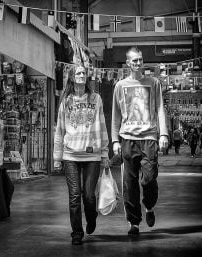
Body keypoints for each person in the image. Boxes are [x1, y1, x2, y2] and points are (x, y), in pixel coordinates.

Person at [111, 47, 168, 235]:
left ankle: (149, 206)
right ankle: (134, 222)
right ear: (128, 63)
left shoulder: (153, 83)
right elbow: (116, 115)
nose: (138, 63)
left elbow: (160, 108)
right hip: (127, 138)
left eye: (140, 60)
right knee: (129, 183)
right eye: (134, 60)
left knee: (149, 179)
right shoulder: (120, 86)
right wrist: (115, 140)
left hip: (149, 138)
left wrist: (164, 134)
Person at [54, 65, 110, 245]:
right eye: (78, 72)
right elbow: (60, 131)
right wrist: (57, 158)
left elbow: (102, 126)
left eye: (84, 73)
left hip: (91, 154)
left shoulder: (96, 99)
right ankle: (76, 232)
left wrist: (104, 153)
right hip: (70, 155)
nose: (82, 75)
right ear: (71, 77)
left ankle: (91, 217)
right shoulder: (66, 101)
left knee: (89, 196)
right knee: (75, 195)